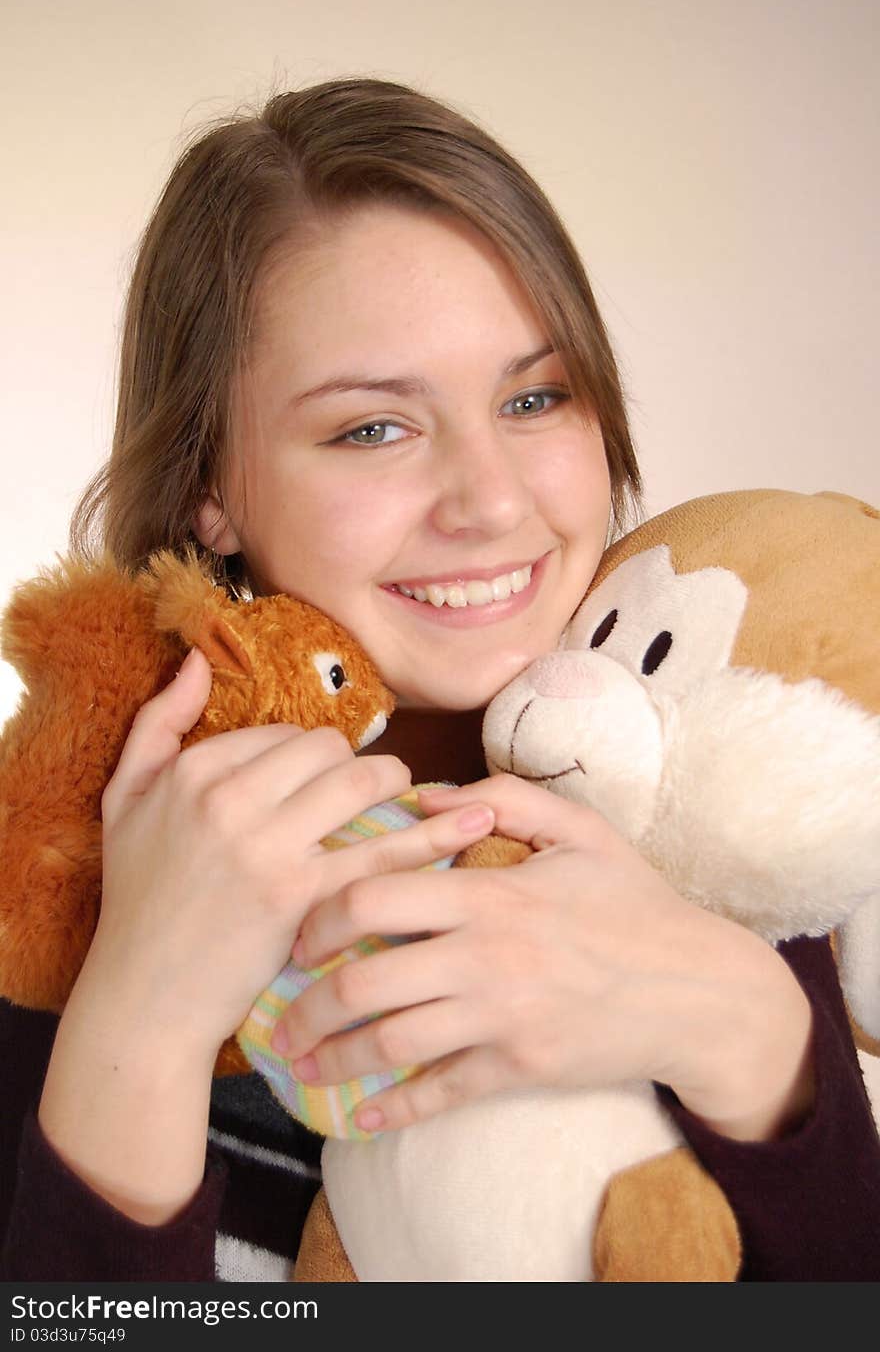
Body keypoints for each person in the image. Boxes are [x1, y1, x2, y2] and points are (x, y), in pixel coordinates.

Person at [2, 77, 878, 1283]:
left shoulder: (722, 795)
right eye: (374, 427)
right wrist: (138, 1018)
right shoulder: (55, 866)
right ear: (211, 482)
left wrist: (753, 1036)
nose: (493, 501)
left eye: (535, 397)